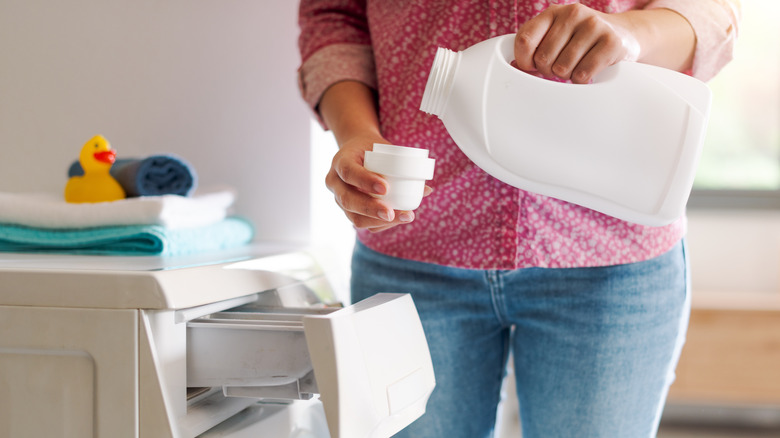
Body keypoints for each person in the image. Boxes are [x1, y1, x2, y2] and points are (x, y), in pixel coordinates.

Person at [297, 1, 739, 437]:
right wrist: (357, 134)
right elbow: (335, 17)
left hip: (610, 256)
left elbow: (713, 12)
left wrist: (633, 33)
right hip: (414, 250)